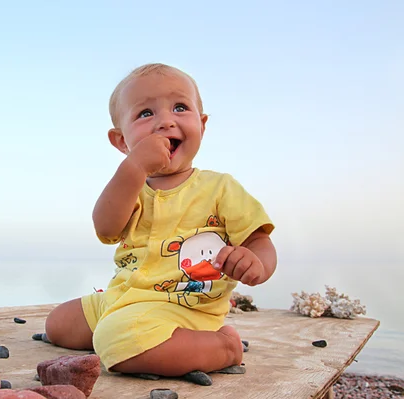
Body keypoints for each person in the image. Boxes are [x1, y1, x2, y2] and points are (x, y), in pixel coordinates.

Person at [45, 63, 277, 377]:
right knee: (58, 323)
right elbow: (106, 228)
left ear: (202, 125)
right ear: (122, 142)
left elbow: (258, 241)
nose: (165, 121)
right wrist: (134, 168)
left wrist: (256, 263)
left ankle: (224, 347)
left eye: (180, 108)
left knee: (115, 339)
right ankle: (143, 339)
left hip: (185, 304)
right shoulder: (130, 187)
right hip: (124, 296)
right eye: (145, 114)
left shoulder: (221, 188)